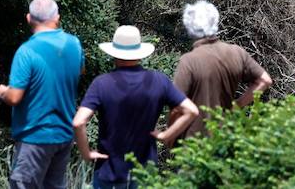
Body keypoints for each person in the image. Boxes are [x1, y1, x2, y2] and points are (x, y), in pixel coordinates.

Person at [73, 25, 200, 189]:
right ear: (139, 52)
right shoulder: (158, 81)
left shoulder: (102, 83)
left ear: (114, 52)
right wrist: (166, 135)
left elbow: (78, 122)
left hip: (109, 172)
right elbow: (191, 110)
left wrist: (87, 154)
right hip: (145, 172)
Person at [0, 0, 83, 189]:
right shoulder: (74, 45)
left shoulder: (26, 51)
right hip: (64, 135)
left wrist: (2, 92)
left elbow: (15, 96)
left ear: (28, 18)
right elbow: (78, 72)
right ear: (57, 18)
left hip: (34, 136)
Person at [168, 0, 272, 144]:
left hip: (193, 144)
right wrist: (238, 105)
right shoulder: (236, 53)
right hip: (225, 137)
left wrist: (170, 134)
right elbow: (265, 80)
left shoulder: (188, 61)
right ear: (215, 22)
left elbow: (177, 106)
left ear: (189, 27)